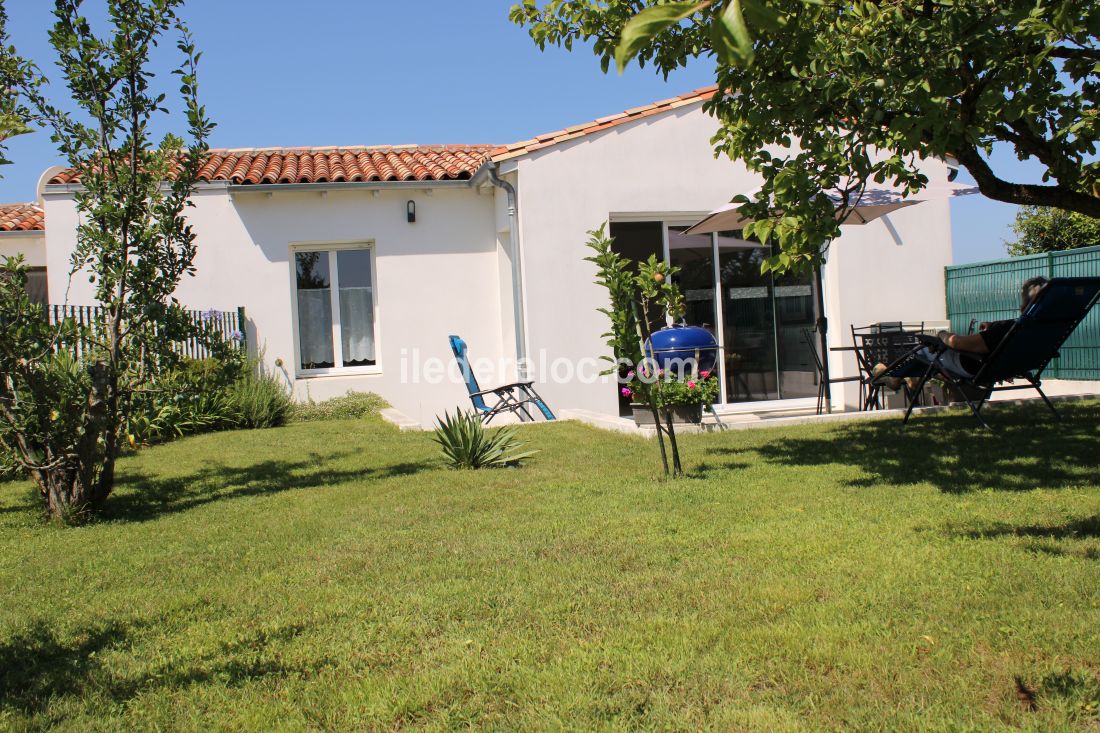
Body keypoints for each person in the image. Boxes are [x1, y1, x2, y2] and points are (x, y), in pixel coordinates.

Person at [871, 276, 1049, 392]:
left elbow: (959, 343)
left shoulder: (1007, 329)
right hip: (1007, 366)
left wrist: (942, 334)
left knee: (926, 347)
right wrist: (994, 327)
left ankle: (894, 375)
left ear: (1023, 304)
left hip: (974, 367)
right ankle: (904, 376)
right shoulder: (1039, 330)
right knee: (930, 356)